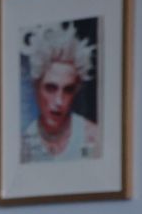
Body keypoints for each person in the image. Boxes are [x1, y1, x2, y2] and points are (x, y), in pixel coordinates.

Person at [20, 21, 101, 163]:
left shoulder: (93, 137)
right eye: (50, 88)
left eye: (68, 90)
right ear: (36, 87)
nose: (59, 101)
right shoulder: (23, 143)